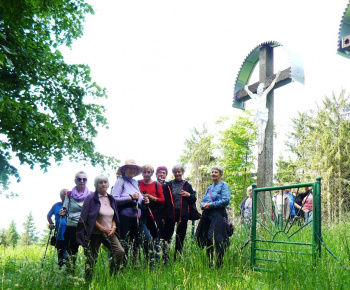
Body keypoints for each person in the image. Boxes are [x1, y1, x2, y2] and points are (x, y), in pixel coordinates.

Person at [76, 174, 124, 280]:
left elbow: (113, 215)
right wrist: (102, 228)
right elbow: (88, 216)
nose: (103, 184)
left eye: (105, 182)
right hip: (95, 233)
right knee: (92, 258)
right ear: (96, 185)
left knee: (119, 252)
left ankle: (112, 276)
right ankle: (88, 281)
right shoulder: (91, 198)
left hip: (110, 232)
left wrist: (114, 227)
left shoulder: (111, 198)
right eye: (100, 182)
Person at [111, 159, 153, 267]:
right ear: (124, 169)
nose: (132, 170)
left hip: (138, 218)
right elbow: (114, 199)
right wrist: (130, 198)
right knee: (124, 243)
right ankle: (120, 268)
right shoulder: (120, 181)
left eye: (134, 168)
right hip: (124, 217)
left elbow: (138, 197)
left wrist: (144, 201)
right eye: (130, 168)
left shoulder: (135, 182)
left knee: (147, 240)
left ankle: (150, 268)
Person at [195, 165, 231, 267]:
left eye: (216, 172)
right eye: (212, 172)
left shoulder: (224, 185)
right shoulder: (209, 188)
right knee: (205, 237)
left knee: (217, 238)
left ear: (220, 174)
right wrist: (203, 205)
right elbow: (202, 201)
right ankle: (210, 262)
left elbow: (226, 200)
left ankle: (219, 264)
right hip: (207, 215)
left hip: (218, 215)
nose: (213, 174)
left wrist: (211, 205)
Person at [163, 164, 196, 261]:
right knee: (167, 237)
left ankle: (177, 258)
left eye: (179, 171)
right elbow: (164, 202)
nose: (177, 173)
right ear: (173, 173)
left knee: (180, 237)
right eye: (175, 172)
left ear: (182, 172)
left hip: (183, 214)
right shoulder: (168, 185)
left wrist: (188, 195)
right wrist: (163, 215)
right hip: (170, 215)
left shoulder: (187, 185)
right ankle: (165, 259)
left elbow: (193, 199)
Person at [60, 171, 92, 273]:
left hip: (85, 228)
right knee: (71, 254)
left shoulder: (91, 195)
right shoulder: (69, 195)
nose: (82, 181)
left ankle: (88, 276)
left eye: (84, 179)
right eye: (79, 179)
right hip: (72, 227)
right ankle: (70, 277)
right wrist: (63, 212)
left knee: (88, 253)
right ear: (75, 181)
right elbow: (64, 208)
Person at [244, 71, 281, 154]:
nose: (259, 90)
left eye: (260, 89)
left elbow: (271, 86)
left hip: (264, 113)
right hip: (258, 114)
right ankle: (259, 147)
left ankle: (261, 147)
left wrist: (276, 77)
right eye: (258, 89)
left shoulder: (264, 94)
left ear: (262, 89)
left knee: (262, 131)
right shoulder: (256, 96)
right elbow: (250, 93)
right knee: (259, 132)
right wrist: (246, 89)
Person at [139, 165, 165, 262]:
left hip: (154, 213)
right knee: (144, 237)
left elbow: (162, 200)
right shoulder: (137, 183)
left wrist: (150, 197)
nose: (146, 174)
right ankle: (147, 259)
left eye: (148, 172)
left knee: (155, 236)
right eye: (144, 172)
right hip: (141, 213)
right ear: (142, 173)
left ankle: (156, 260)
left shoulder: (156, 184)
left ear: (152, 173)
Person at [47, 188, 68, 268]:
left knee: (66, 254)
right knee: (60, 254)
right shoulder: (56, 205)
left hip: (68, 234)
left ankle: (67, 271)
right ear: (61, 196)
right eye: (64, 194)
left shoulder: (70, 206)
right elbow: (49, 215)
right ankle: (60, 269)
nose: (66, 196)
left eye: (67, 194)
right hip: (58, 235)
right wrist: (51, 223)